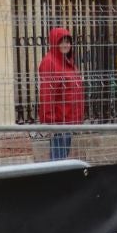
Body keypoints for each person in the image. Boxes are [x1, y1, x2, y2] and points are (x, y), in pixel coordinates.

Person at [36, 27, 84, 160]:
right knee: (58, 159)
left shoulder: (68, 62)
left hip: (68, 118)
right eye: (61, 41)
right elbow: (47, 93)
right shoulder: (49, 62)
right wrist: (49, 120)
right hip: (59, 120)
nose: (66, 45)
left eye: (68, 42)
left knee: (62, 157)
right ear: (54, 43)